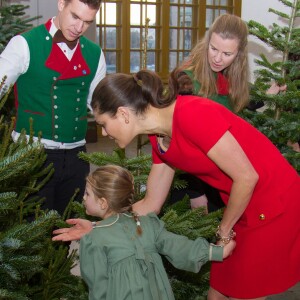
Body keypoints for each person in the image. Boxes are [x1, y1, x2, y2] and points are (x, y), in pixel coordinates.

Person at [54, 69, 299, 299]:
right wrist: (100, 228)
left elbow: (247, 177)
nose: (105, 133)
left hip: (274, 202)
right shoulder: (159, 138)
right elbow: (151, 203)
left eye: (103, 124)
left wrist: (224, 230)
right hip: (242, 205)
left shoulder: (192, 114)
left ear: (123, 114)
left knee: (244, 291)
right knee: (219, 291)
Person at [53, 165, 235, 300]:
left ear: (102, 203)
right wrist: (216, 251)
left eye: (87, 194)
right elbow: (178, 246)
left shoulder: (93, 239)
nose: (83, 199)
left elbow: (97, 285)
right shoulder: (147, 223)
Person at [170, 14, 287, 213]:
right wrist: (196, 192)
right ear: (207, 42)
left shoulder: (229, 76)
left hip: (218, 175)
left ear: (239, 54)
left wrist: (268, 94)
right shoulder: (186, 80)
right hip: (191, 183)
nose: (217, 58)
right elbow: (178, 139)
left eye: (227, 53)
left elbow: (234, 103)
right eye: (213, 48)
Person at [0, 0, 106, 215]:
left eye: (87, 22)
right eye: (75, 16)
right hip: (32, 153)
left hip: (77, 155)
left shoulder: (95, 53)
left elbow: (99, 103)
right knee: (32, 225)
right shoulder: (25, 43)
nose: (79, 28)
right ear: (61, 5)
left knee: (68, 222)